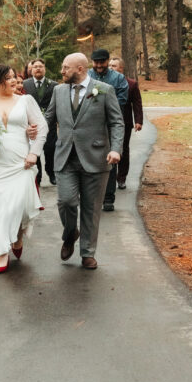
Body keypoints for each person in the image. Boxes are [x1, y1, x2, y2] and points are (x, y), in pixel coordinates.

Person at [44, 52, 123, 270]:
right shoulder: (59, 91)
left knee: (91, 208)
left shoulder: (104, 90)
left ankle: (87, 252)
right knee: (66, 201)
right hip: (65, 156)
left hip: (96, 157)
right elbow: (48, 120)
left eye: (65, 67)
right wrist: (29, 132)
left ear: (80, 69)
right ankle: (70, 234)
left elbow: (117, 122)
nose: (61, 71)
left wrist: (116, 149)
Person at [0, 64, 48, 274]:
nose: (15, 81)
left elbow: (42, 127)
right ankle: (0, 253)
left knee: (17, 206)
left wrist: (34, 152)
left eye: (14, 77)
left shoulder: (25, 101)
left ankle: (17, 235)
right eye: (9, 78)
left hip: (20, 162)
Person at [89, 48, 128, 212]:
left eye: (102, 62)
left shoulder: (118, 78)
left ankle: (108, 198)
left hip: (110, 124)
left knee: (109, 161)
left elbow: (122, 100)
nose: (99, 65)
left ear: (107, 61)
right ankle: (92, 197)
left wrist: (102, 105)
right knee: (90, 161)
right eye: (96, 62)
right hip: (90, 125)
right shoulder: (88, 76)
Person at [108, 55, 144, 191]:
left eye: (114, 66)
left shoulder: (131, 84)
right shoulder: (105, 83)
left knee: (123, 149)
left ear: (121, 68)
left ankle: (121, 178)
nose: (111, 68)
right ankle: (108, 177)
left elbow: (137, 104)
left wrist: (138, 121)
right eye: (110, 65)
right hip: (106, 123)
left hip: (124, 122)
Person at [23, 57, 56, 185]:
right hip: (32, 125)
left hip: (50, 124)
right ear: (31, 70)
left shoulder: (54, 85)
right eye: (35, 66)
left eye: (40, 66)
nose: (38, 68)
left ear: (44, 69)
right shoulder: (25, 84)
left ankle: (51, 173)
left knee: (50, 150)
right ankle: (38, 176)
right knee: (34, 150)